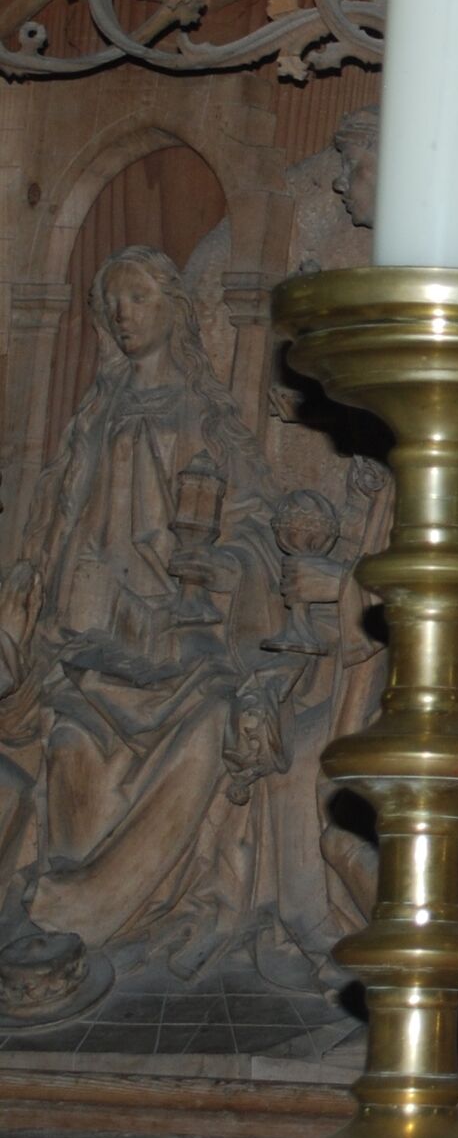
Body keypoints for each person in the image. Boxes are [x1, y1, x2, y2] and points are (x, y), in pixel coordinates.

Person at [0, 247, 297, 1019]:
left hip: (183, 648)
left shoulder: (206, 416)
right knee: (69, 743)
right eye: (113, 302)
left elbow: (258, 528)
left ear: (173, 308)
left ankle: (146, 913)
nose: (123, 314)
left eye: (137, 297)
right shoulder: (97, 415)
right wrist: (43, 592)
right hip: (96, 646)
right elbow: (59, 526)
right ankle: (63, 917)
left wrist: (215, 565)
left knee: (209, 725)